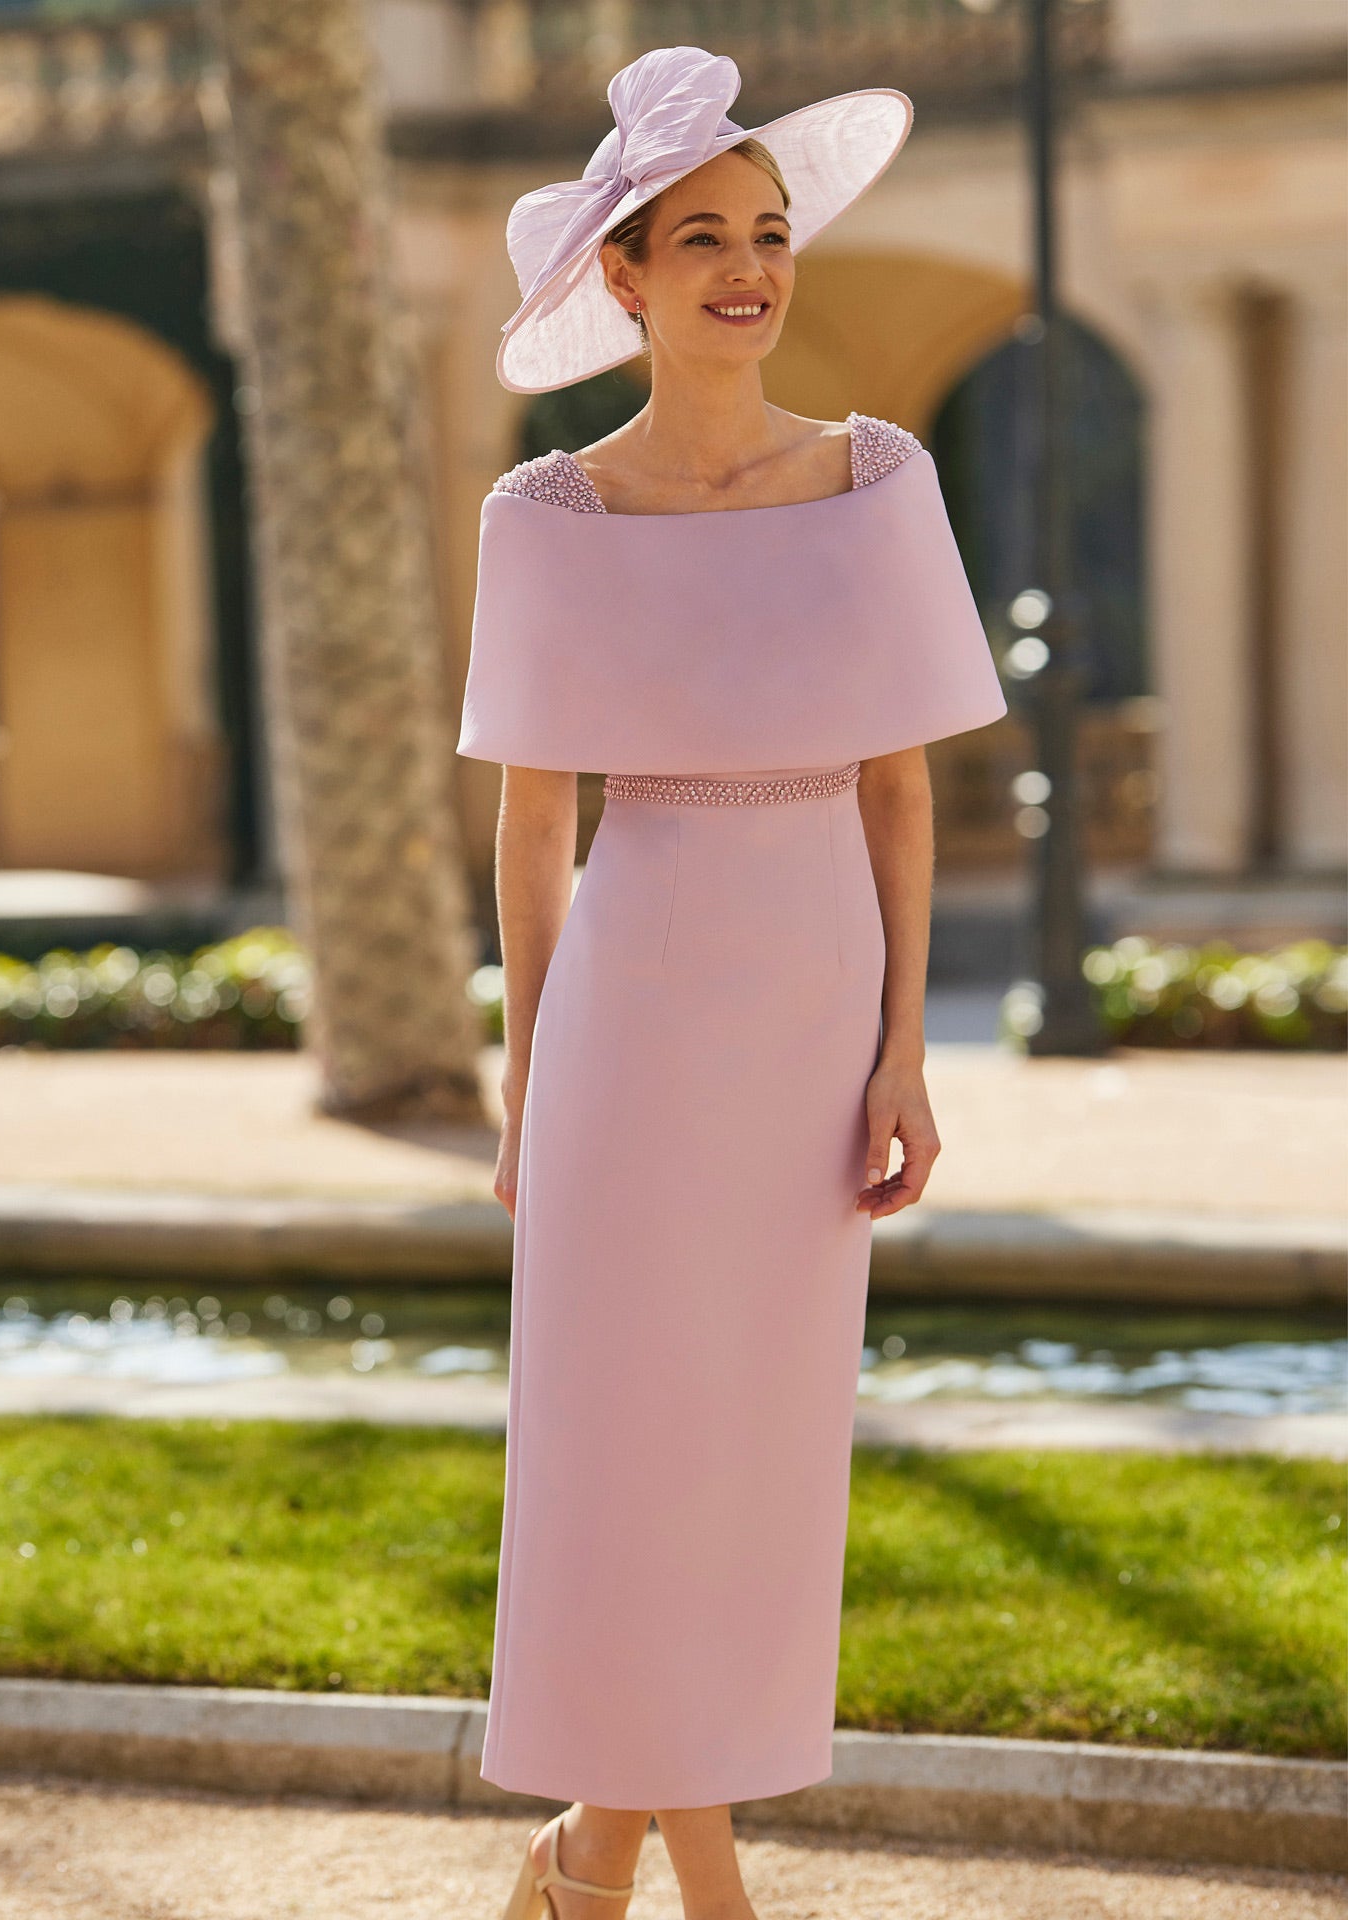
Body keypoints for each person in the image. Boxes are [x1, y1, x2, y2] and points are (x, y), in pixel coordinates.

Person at [456, 46, 1008, 1920]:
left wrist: (903, 1053)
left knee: (750, 1464)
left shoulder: (877, 477)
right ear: (622, 273)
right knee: (622, 1457)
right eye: (702, 239)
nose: (748, 270)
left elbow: (901, 787)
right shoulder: (548, 514)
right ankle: (694, 1887)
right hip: (627, 1019)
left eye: (769, 235)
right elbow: (538, 834)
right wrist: (533, 1081)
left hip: (805, 1022)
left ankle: (588, 1861)